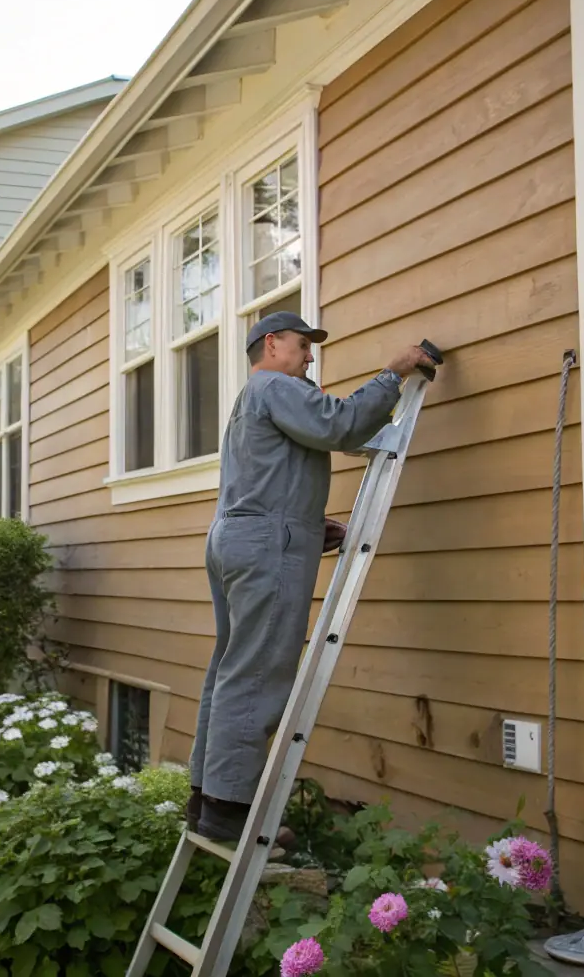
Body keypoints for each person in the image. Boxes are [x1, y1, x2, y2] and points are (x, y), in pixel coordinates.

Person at [186, 310, 438, 842]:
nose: (310, 355)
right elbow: (339, 425)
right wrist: (392, 374)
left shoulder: (250, 400)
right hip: (262, 545)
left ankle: (206, 796)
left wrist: (305, 521)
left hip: (238, 536)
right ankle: (230, 808)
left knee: (233, 665)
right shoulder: (276, 385)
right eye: (303, 345)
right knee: (258, 670)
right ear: (272, 344)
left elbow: (271, 473)